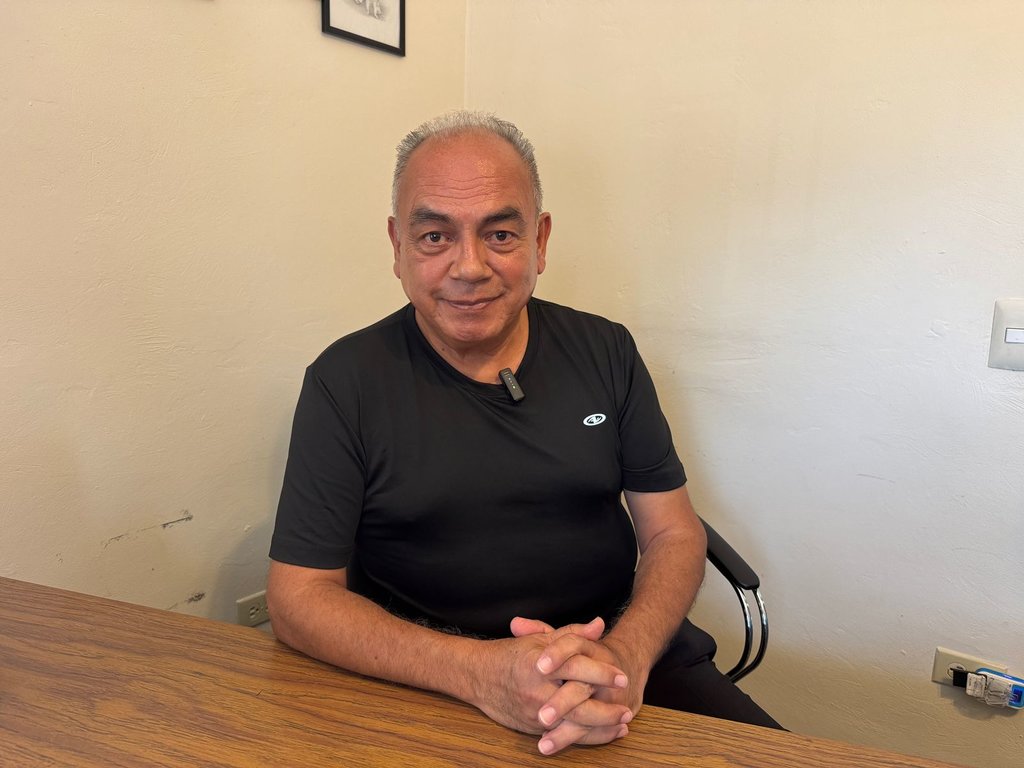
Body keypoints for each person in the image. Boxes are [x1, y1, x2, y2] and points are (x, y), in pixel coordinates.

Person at [266, 110, 780, 756]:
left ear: (540, 240)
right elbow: (298, 598)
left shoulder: (607, 351)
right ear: (397, 245)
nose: (469, 266)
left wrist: (626, 656)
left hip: (616, 656)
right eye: (434, 236)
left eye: (501, 234)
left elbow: (673, 532)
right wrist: (480, 673)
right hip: (429, 673)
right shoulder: (345, 382)